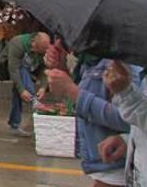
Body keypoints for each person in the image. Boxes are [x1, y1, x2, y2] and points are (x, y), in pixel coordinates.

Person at [46, 51, 137, 187]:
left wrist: (72, 91)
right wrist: (62, 71)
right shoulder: (92, 61)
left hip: (117, 171)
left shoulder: (121, 63)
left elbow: (132, 119)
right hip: (103, 169)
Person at [0, 31, 50, 136]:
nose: (45, 52)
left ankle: (14, 125)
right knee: (22, 72)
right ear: (34, 44)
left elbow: (43, 68)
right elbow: (13, 69)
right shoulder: (17, 44)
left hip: (28, 70)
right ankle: (34, 102)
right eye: (43, 50)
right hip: (11, 67)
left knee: (18, 95)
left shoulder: (41, 50)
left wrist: (43, 87)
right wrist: (22, 89)